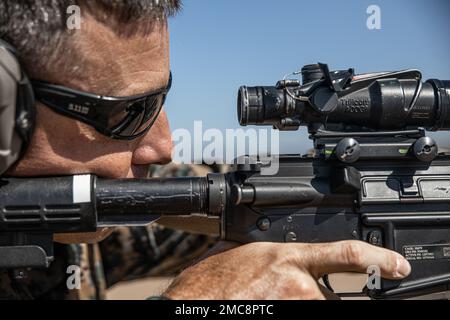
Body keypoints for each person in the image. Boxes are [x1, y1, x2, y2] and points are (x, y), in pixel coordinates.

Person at [0, 0, 411, 300]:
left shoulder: (63, 218)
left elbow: (212, 193)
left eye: (160, 102)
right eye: (129, 113)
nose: (163, 147)